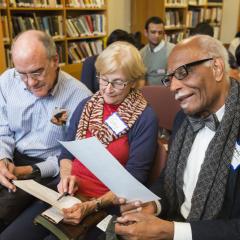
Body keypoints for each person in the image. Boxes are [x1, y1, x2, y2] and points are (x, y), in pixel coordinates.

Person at [0, 41, 158, 240]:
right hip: (68, 194)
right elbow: (66, 153)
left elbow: (134, 180)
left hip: (106, 203)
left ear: (133, 81)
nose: (108, 89)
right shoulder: (87, 105)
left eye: (118, 82)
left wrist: (92, 205)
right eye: (103, 79)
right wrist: (66, 177)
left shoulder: (145, 117)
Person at [114, 34, 240, 240]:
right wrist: (153, 205)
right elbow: (168, 179)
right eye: (170, 78)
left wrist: (172, 232)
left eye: (182, 73)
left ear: (216, 68)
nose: (173, 87)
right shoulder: (183, 119)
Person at [0, 30, 91, 231]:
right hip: (11, 156)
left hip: (48, 169)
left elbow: (72, 157)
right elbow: (2, 130)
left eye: (37, 72)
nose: (31, 82)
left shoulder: (79, 97)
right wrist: (3, 159)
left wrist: (27, 170)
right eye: (22, 74)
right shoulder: (7, 81)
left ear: (55, 60)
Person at [140, 16, 175, 85]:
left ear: (164, 34)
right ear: (146, 33)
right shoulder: (141, 53)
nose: (157, 35)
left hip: (167, 93)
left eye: (160, 32)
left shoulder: (173, 50)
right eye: (153, 32)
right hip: (147, 93)